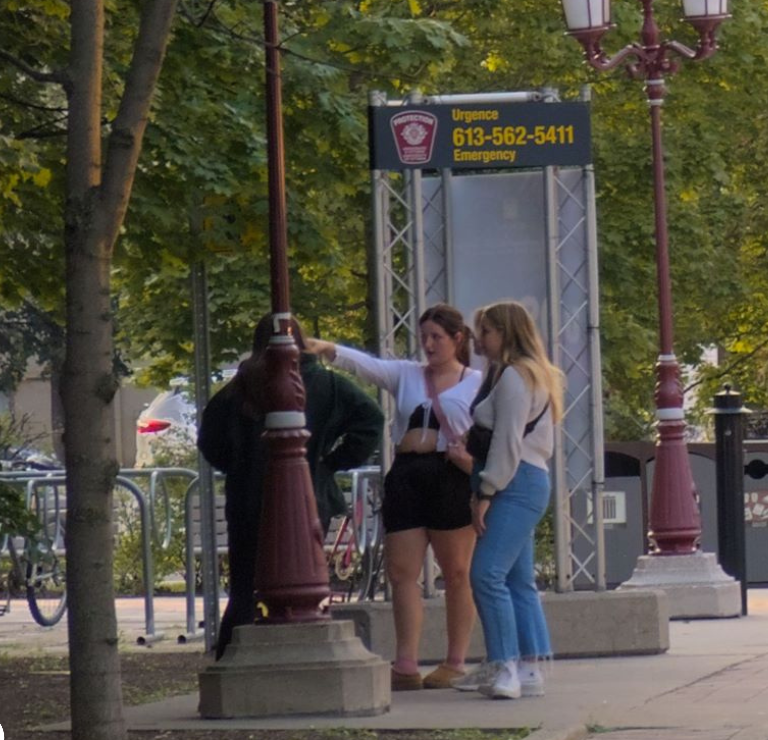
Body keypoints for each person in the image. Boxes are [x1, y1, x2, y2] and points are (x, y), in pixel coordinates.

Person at [303, 308, 485, 689]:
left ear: (457, 339)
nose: (429, 344)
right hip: (407, 474)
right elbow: (368, 366)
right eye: (425, 336)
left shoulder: (476, 383)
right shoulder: (407, 374)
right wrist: (327, 348)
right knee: (402, 572)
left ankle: (455, 660)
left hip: (449, 476)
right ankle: (406, 663)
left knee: (456, 572)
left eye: (437, 336)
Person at [200, 315, 382, 655]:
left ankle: (232, 656)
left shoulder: (238, 389)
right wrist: (331, 462)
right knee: (305, 581)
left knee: (245, 586)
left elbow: (209, 440)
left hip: (249, 499)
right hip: (311, 494)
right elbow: (371, 418)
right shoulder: (326, 385)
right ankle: (304, 652)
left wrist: (238, 467)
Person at [464, 299, 562, 701]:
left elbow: (506, 442)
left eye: (486, 331)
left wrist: (485, 491)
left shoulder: (512, 379)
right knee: (518, 578)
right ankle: (530, 665)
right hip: (531, 477)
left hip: (513, 481)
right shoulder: (538, 376)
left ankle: (504, 665)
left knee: (485, 574)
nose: (479, 340)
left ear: (505, 333)